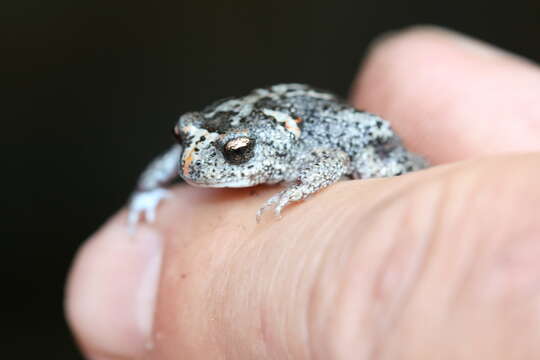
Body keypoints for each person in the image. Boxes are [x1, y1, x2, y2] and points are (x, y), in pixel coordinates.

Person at [65, 26, 540, 359]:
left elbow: (332, 160)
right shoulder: (209, 145)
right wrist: (147, 190)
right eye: (183, 138)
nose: (195, 164)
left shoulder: (288, 151)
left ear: (254, 150)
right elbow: (190, 154)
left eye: (235, 153)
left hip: (370, 149)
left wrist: (299, 189)